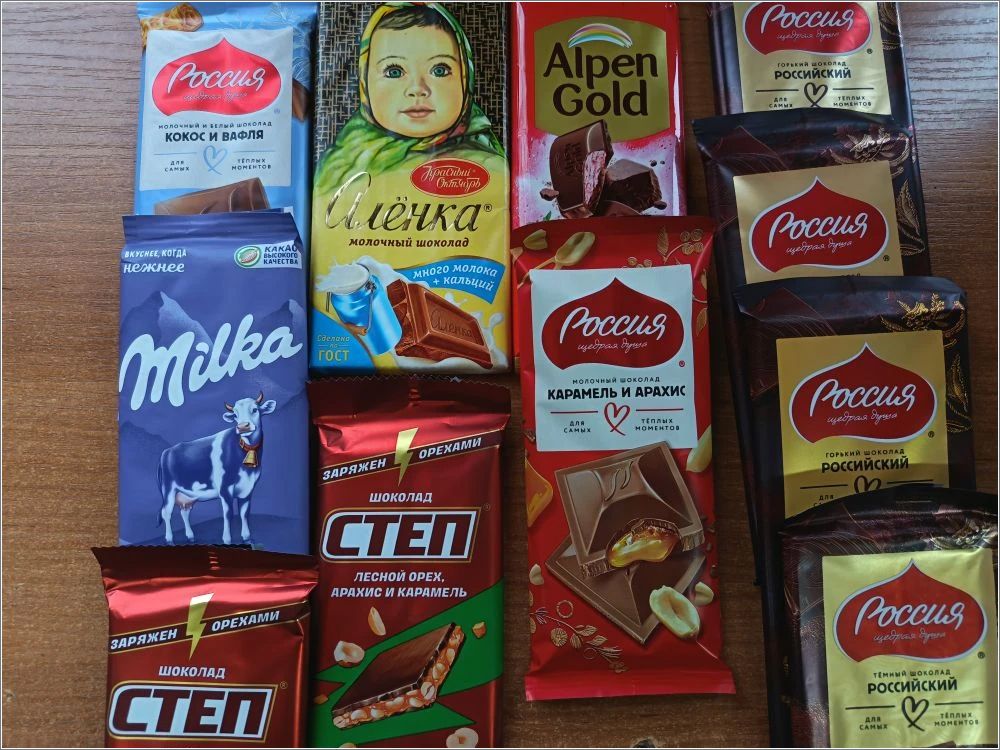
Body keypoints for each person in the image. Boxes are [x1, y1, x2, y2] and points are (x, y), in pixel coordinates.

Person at [315, 2, 504, 193]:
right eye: (394, 72)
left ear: (465, 78)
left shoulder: (490, 168)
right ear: (364, 82)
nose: (417, 89)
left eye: (439, 70)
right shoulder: (341, 160)